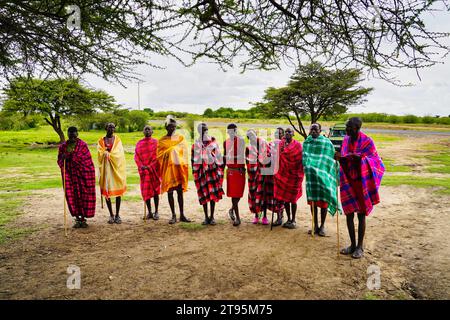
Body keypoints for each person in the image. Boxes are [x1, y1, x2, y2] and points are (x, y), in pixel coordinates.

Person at [336, 117, 385, 259]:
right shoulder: (346, 140)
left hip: (362, 182)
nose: (347, 130)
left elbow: (376, 161)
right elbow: (343, 156)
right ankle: (352, 244)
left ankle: (360, 247)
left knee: (361, 215)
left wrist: (362, 160)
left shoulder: (367, 141)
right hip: (348, 181)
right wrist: (339, 157)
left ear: (357, 128)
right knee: (349, 214)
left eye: (349, 128)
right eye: (347, 127)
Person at [303, 123, 339, 236]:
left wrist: (323, 170)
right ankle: (315, 225)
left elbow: (328, 158)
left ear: (320, 130)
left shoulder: (326, 143)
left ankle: (322, 226)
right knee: (313, 203)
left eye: (315, 129)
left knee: (323, 203)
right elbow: (304, 158)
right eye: (311, 129)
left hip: (323, 177)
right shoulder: (306, 143)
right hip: (311, 179)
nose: (313, 131)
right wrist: (309, 167)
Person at [57, 127, 96, 228]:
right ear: (68, 135)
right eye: (70, 135)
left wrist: (74, 159)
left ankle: (83, 218)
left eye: (74, 134)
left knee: (83, 195)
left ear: (77, 134)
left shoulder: (83, 145)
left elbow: (87, 161)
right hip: (70, 175)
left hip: (82, 175)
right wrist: (63, 158)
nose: (72, 136)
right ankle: (77, 218)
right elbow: (60, 161)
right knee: (73, 196)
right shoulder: (63, 147)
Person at [157, 116, 191, 224]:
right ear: (166, 127)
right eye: (170, 127)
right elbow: (159, 156)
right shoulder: (162, 141)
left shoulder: (179, 138)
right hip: (168, 171)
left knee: (180, 192)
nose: (173, 129)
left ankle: (182, 215)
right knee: (170, 192)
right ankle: (173, 215)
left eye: (174, 127)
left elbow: (184, 151)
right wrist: (171, 151)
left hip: (179, 169)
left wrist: (174, 150)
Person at [191, 123, 224, 225]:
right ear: (198, 131)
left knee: (212, 194)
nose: (204, 132)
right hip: (201, 173)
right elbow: (193, 160)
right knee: (203, 194)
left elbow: (219, 157)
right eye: (201, 130)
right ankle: (206, 217)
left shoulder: (213, 143)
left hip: (212, 172)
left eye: (205, 130)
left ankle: (212, 217)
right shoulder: (195, 145)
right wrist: (195, 172)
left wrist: (218, 169)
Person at [273, 127, 304, 229]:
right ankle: (288, 219)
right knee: (285, 199)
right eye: (286, 132)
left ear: (293, 134)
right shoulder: (281, 144)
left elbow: (300, 160)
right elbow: (276, 157)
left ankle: (293, 220)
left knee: (293, 200)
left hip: (294, 176)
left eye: (289, 132)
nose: (287, 133)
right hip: (283, 175)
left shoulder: (298, 145)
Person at [98, 122, 126, 224]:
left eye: (113, 127)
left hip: (116, 169)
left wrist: (110, 154)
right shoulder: (101, 140)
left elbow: (119, 154)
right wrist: (105, 153)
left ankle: (118, 214)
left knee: (118, 193)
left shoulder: (117, 140)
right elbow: (100, 152)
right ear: (106, 128)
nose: (111, 129)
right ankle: (111, 215)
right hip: (106, 169)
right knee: (107, 190)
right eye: (109, 127)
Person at [245, 129, 271, 225]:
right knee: (254, 194)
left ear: (256, 134)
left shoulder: (264, 143)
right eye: (249, 136)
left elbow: (269, 156)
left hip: (263, 173)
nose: (251, 137)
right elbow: (247, 161)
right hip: (252, 175)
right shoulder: (249, 148)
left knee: (263, 194)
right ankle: (256, 215)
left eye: (253, 135)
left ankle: (264, 216)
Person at [134, 125, 161, 221]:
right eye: (145, 129)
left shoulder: (156, 143)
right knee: (146, 192)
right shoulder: (139, 143)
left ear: (152, 131)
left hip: (153, 171)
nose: (147, 131)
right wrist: (141, 166)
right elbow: (136, 157)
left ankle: (156, 211)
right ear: (143, 132)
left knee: (155, 191)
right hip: (144, 172)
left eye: (149, 129)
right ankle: (149, 212)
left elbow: (157, 157)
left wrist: (149, 166)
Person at [223, 123, 246, 226]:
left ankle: (232, 209)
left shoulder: (241, 141)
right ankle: (237, 218)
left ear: (236, 131)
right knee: (234, 195)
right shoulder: (225, 142)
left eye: (234, 131)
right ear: (228, 132)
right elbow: (224, 157)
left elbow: (241, 155)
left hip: (240, 171)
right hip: (231, 171)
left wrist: (229, 156)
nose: (232, 133)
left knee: (239, 195)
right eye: (230, 131)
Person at [269, 127, 285, 227]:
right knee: (275, 196)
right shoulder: (271, 144)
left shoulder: (284, 145)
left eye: (279, 133)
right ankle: (279, 216)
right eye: (276, 133)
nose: (277, 135)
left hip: (282, 173)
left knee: (281, 196)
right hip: (273, 173)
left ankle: (281, 216)